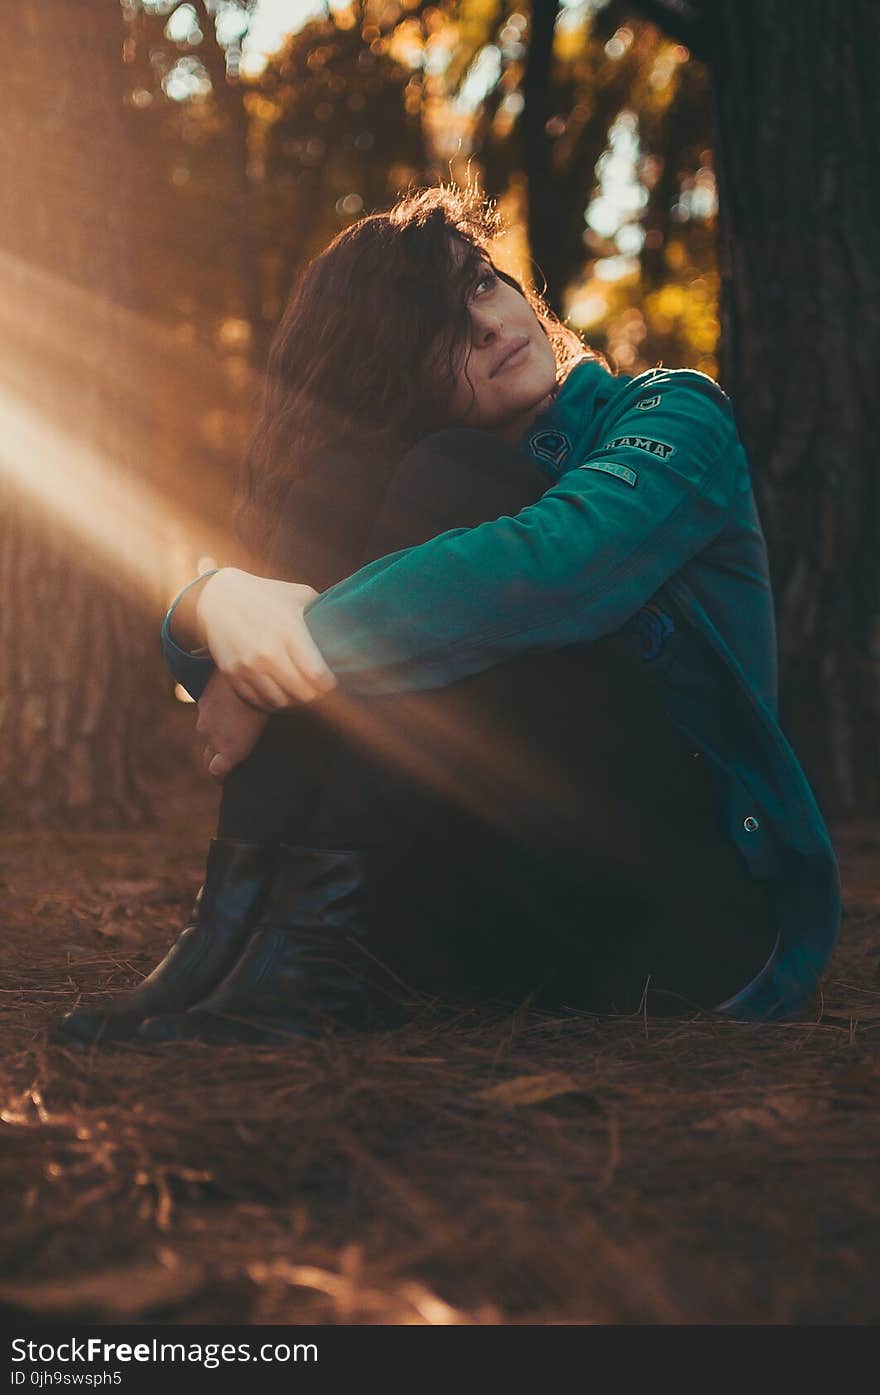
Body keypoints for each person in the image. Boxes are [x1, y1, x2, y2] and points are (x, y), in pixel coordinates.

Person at [54, 186, 838, 1048]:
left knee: (454, 483)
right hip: (486, 921)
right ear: (392, 373)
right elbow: (250, 646)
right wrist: (211, 602)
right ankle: (242, 939)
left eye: (482, 283)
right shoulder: (393, 481)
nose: (489, 323)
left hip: (686, 922)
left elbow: (552, 567)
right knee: (344, 480)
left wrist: (272, 638)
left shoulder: (672, 412)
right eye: (437, 326)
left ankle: (296, 956)